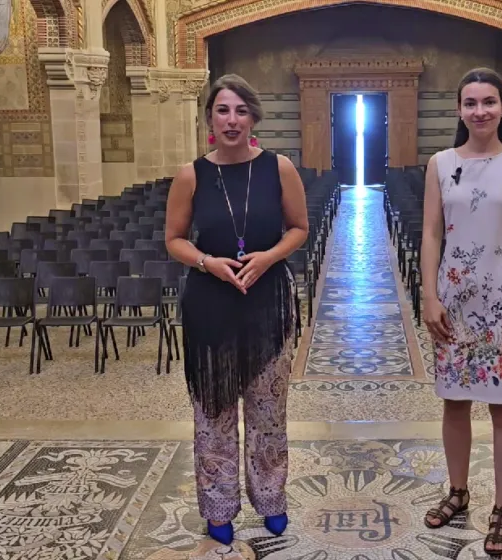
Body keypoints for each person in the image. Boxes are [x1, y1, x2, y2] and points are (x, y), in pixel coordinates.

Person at [165, 74, 309, 545]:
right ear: (209, 118)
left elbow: (299, 228)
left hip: (267, 304)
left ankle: (270, 499)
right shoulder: (192, 175)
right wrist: (208, 263)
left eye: (241, 111)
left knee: (268, 414)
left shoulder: (278, 167)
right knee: (214, 414)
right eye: (223, 110)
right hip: (211, 306)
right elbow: (175, 240)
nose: (232, 120)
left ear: (253, 119)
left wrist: (267, 257)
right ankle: (219, 506)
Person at [419, 67, 502, 557]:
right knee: (454, 403)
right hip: (453, 299)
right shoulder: (441, 163)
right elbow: (431, 233)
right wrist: (429, 295)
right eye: (470, 103)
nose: (480, 111)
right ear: (459, 109)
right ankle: (458, 491)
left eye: (488, 101)